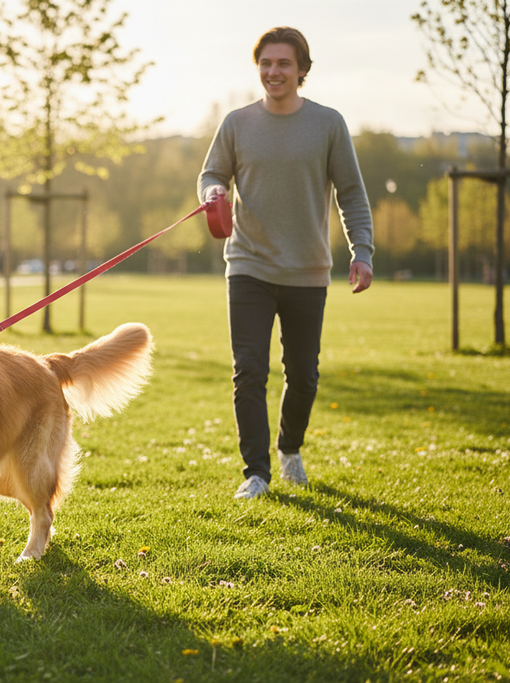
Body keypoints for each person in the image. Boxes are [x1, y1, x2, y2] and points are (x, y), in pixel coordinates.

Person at [196, 26, 374, 499]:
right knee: (248, 370)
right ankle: (256, 472)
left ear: (302, 70)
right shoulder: (236, 123)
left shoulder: (328, 124)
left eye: (283, 64)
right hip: (248, 265)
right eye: (266, 63)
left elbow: (352, 195)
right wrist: (213, 192)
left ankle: (289, 449)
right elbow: (213, 172)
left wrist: (363, 252)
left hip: (307, 270)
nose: (273, 72)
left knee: (303, 375)